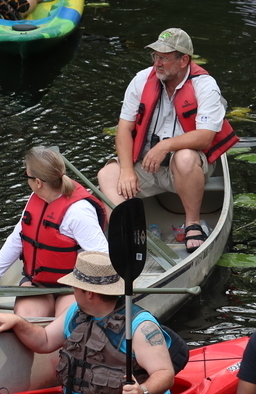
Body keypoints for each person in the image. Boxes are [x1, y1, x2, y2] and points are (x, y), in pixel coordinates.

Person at [0, 251, 175, 394]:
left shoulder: (140, 327)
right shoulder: (76, 312)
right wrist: (18, 323)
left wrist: (142, 392)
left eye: (75, 286)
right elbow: (44, 341)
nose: (72, 290)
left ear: (88, 293)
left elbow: (164, 374)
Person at [97, 28, 239, 253]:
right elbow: (124, 128)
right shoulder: (142, 80)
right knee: (107, 174)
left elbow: (205, 137)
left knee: (184, 157)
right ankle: (127, 230)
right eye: (155, 56)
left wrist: (165, 146)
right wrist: (126, 170)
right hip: (147, 166)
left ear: (184, 60)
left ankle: (193, 223)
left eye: (164, 57)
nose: (157, 63)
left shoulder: (205, 86)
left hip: (186, 169)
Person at [0, 147, 109, 319]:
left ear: (38, 182)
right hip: (37, 283)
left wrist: (98, 294)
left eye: (26, 176)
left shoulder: (78, 211)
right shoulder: (36, 200)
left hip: (73, 286)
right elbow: (15, 241)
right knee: (25, 318)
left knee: (66, 321)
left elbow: (103, 257)